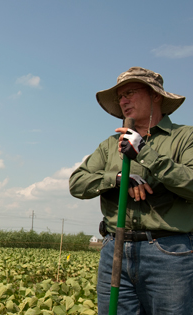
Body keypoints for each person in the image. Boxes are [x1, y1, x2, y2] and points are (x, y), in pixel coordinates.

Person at [69, 67, 193, 314]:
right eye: (120, 97)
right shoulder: (110, 145)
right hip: (115, 251)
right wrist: (117, 179)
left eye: (130, 93)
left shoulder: (184, 137)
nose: (123, 101)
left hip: (169, 254)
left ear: (155, 95)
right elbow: (77, 183)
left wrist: (146, 154)